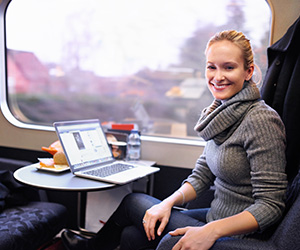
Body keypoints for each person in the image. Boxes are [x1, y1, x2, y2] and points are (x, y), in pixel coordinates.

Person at [61, 30, 287, 250]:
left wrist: (212, 231)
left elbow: (271, 206)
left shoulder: (260, 120)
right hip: (215, 216)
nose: (218, 77)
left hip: (238, 232)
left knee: (133, 203)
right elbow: (201, 175)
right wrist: (166, 204)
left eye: (229, 67)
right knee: (133, 234)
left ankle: (88, 247)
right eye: (211, 67)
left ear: (248, 72)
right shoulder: (221, 112)